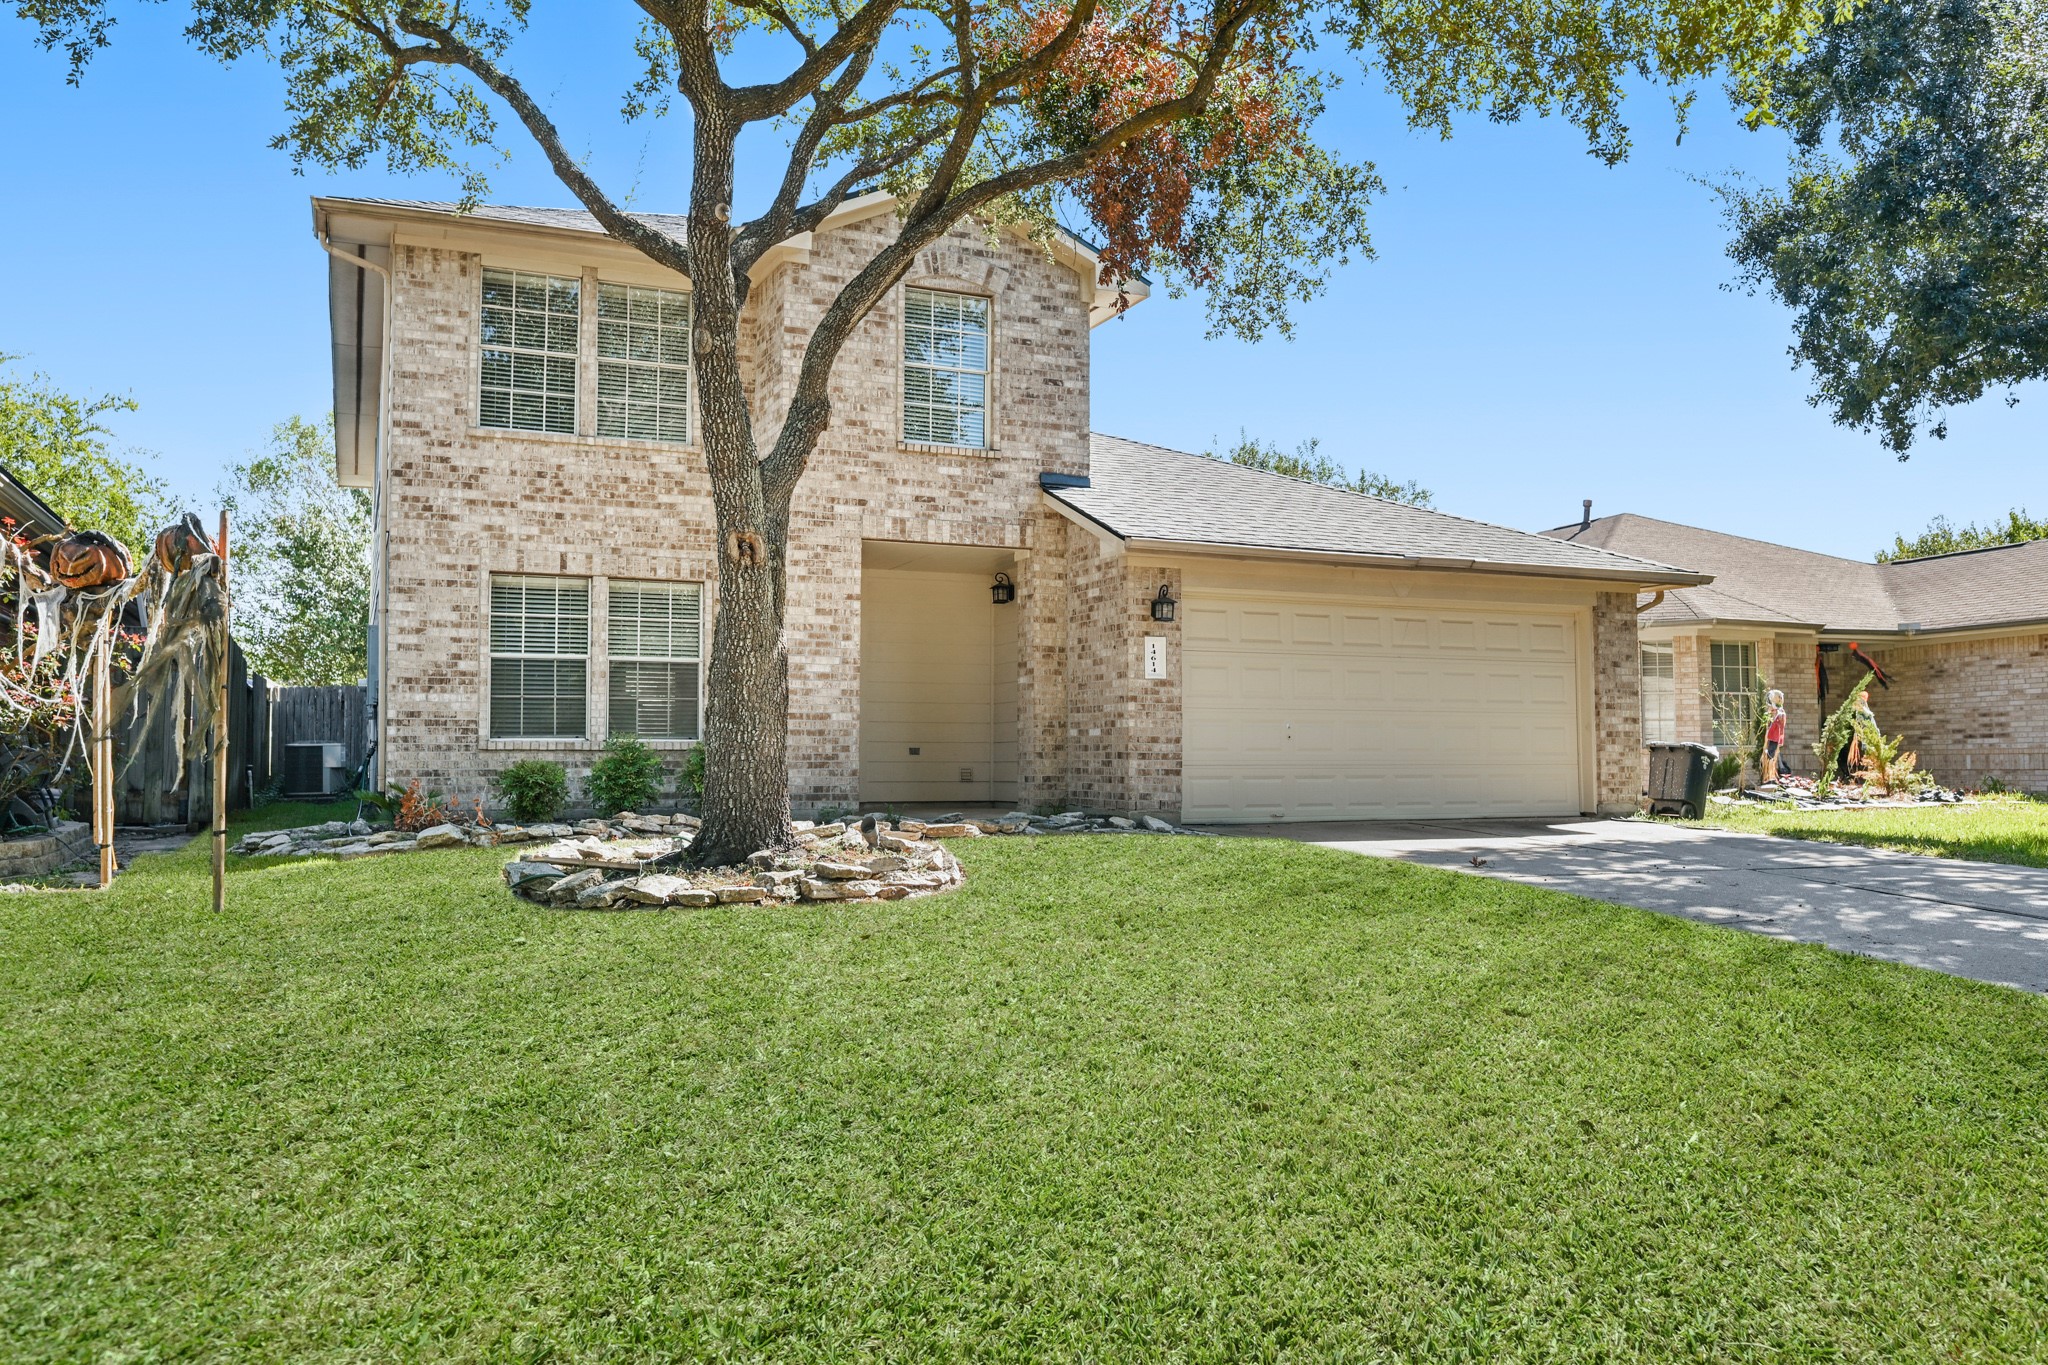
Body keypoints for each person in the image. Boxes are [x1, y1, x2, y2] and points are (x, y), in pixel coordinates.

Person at [1762, 689, 1788, 783]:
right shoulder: (1772, 711)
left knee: (1771, 755)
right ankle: (1767, 776)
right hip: (1770, 736)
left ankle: (1771, 776)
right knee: (1768, 754)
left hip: (1775, 737)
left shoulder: (1780, 712)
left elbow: (1781, 723)